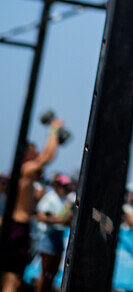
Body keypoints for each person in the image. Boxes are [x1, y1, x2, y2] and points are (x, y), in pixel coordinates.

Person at [0, 118, 63, 292]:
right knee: (13, 278)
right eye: (34, 153)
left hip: (14, 227)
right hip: (18, 227)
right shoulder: (26, 169)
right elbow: (47, 156)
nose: (37, 156)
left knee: (9, 276)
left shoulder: (19, 173)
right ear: (26, 155)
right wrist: (53, 131)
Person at [34, 174, 73, 292]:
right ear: (56, 185)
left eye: (66, 186)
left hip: (57, 236)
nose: (64, 188)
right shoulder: (50, 197)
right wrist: (59, 220)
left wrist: (55, 219)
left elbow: (64, 220)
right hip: (48, 237)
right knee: (45, 273)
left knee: (52, 273)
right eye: (62, 185)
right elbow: (40, 216)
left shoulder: (64, 200)